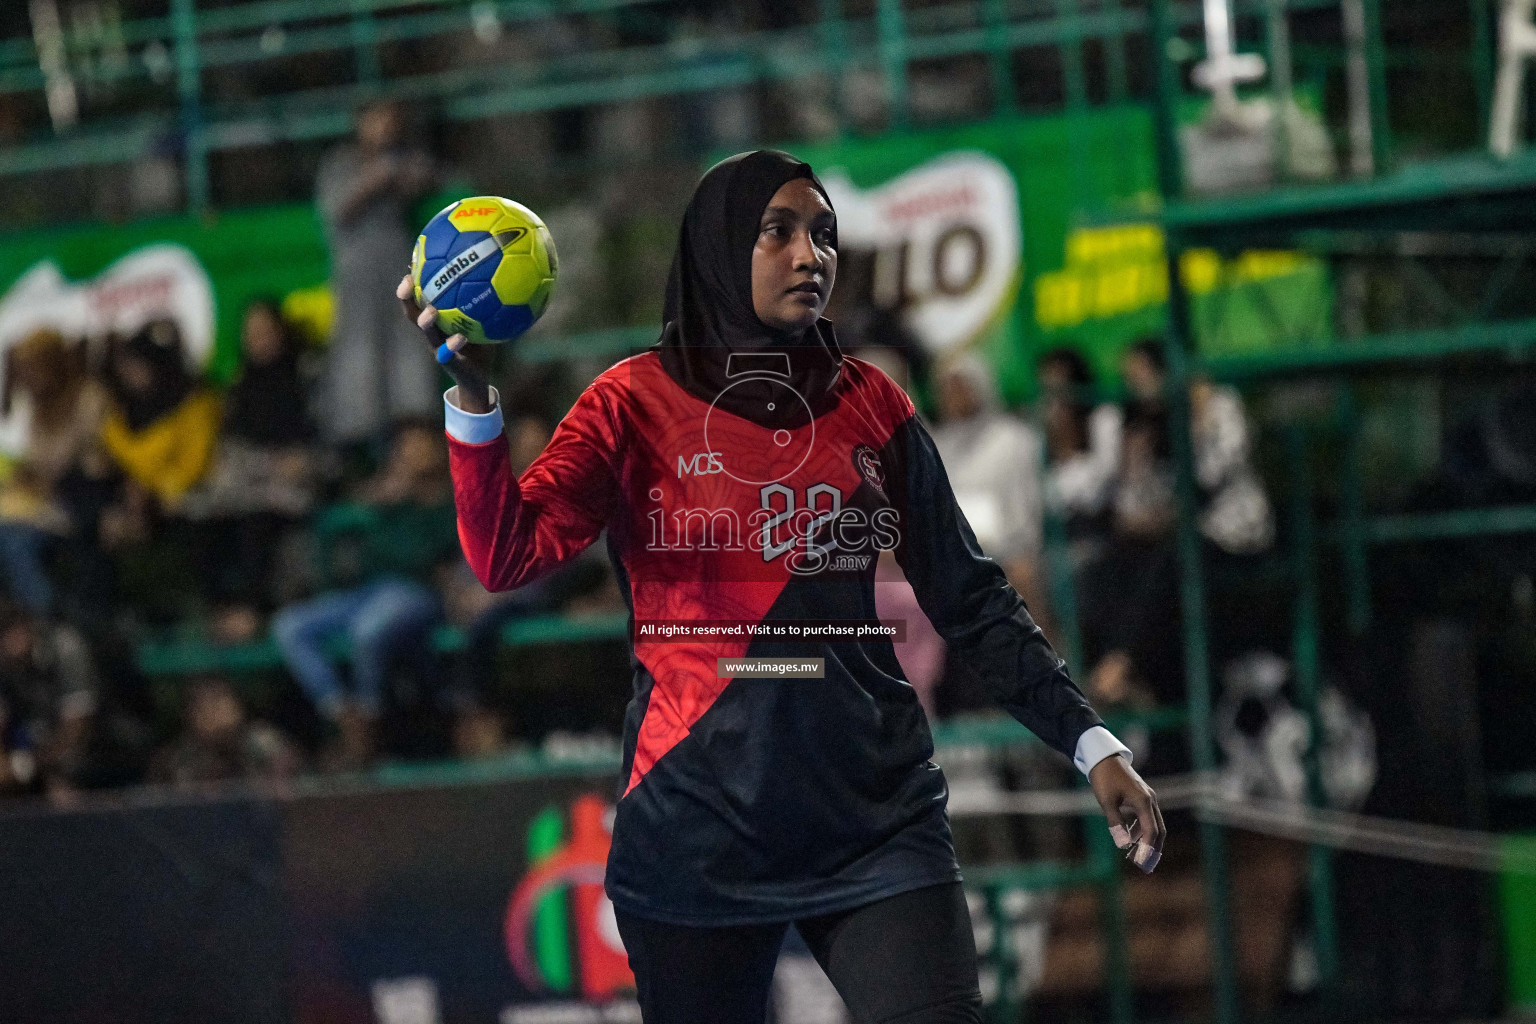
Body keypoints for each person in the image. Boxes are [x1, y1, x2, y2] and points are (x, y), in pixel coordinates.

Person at [399, 150, 1164, 1024]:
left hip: (875, 818)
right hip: (693, 831)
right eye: (780, 232)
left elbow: (971, 596)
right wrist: (471, 401)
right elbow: (505, 556)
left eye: (825, 234)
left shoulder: (870, 402)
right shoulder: (627, 404)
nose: (813, 256)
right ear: (721, 247)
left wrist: (1091, 742)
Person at [270, 418, 459, 769]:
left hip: (417, 594)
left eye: (420, 448)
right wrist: (379, 503)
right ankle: (342, 712)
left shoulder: (450, 498)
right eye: (405, 450)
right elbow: (363, 556)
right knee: (290, 626)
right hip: (370, 592)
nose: (411, 456)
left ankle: (370, 721)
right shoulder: (387, 499)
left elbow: (427, 558)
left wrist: (410, 503)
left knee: (368, 630)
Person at [315, 98, 440, 452]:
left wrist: (396, 176)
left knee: (409, 355)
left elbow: (427, 179)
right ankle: (359, 447)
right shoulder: (340, 163)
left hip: (400, 273)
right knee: (358, 356)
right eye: (376, 119)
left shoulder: (407, 158)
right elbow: (338, 209)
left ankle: (412, 444)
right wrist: (375, 180)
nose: (384, 127)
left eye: (390, 118)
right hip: (357, 277)